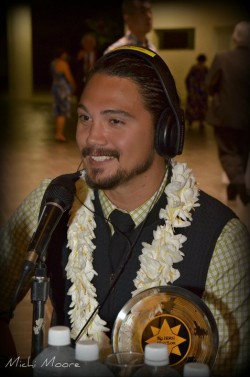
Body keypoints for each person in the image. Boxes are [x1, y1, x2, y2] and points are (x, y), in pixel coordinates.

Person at [0, 46, 250, 377]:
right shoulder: (51, 204)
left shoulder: (222, 239)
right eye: (85, 117)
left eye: (115, 120)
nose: (91, 138)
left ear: (166, 132)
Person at [205, 21, 250, 205]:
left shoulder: (223, 58)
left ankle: (239, 185)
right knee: (243, 153)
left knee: (228, 153)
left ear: (235, 37)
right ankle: (233, 189)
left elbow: (209, 85)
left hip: (225, 116)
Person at [50, 47, 76, 142]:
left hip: (55, 87)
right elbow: (69, 77)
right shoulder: (63, 63)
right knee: (62, 112)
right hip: (62, 89)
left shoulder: (53, 63)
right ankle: (60, 134)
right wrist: (73, 85)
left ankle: (57, 133)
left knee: (58, 111)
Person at [185, 54, 208, 129]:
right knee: (201, 106)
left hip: (194, 90)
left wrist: (189, 89)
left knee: (193, 105)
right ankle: (201, 122)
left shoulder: (195, 68)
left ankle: (191, 121)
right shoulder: (205, 68)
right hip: (202, 90)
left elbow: (187, 79)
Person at [74, 32, 98, 101]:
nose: (88, 45)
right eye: (86, 43)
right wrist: (78, 59)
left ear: (93, 44)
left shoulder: (98, 54)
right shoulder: (80, 54)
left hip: (94, 81)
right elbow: (75, 68)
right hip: (81, 82)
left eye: (90, 43)